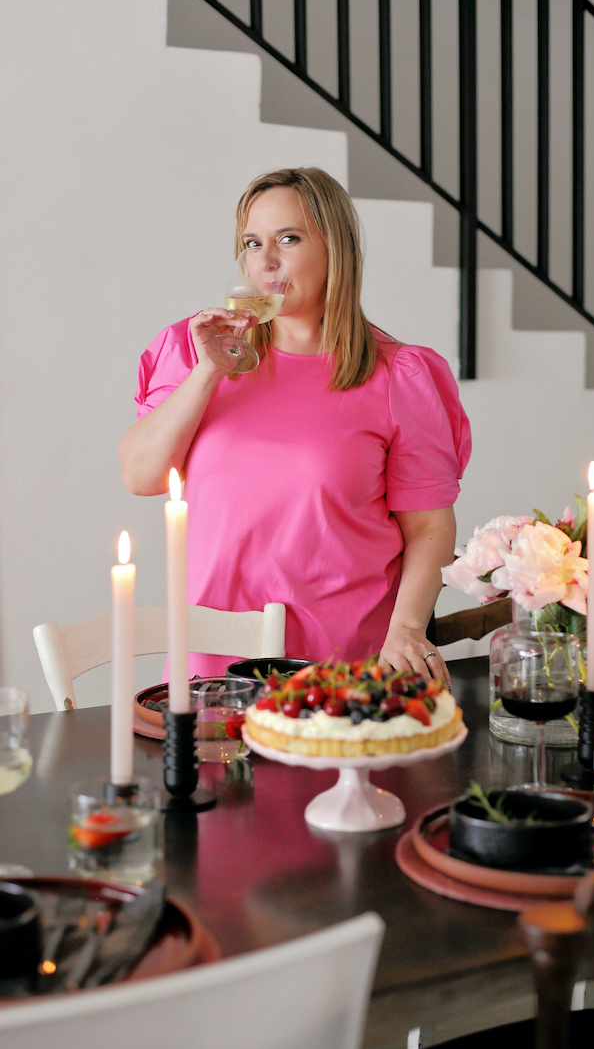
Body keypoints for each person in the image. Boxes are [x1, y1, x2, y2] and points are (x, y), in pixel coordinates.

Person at [119, 168, 470, 683]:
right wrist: (208, 372)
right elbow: (140, 475)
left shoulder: (399, 375)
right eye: (252, 243)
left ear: (335, 249)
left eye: (288, 238)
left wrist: (407, 628)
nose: (266, 260)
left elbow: (430, 529)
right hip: (212, 663)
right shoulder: (194, 348)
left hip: (343, 663)